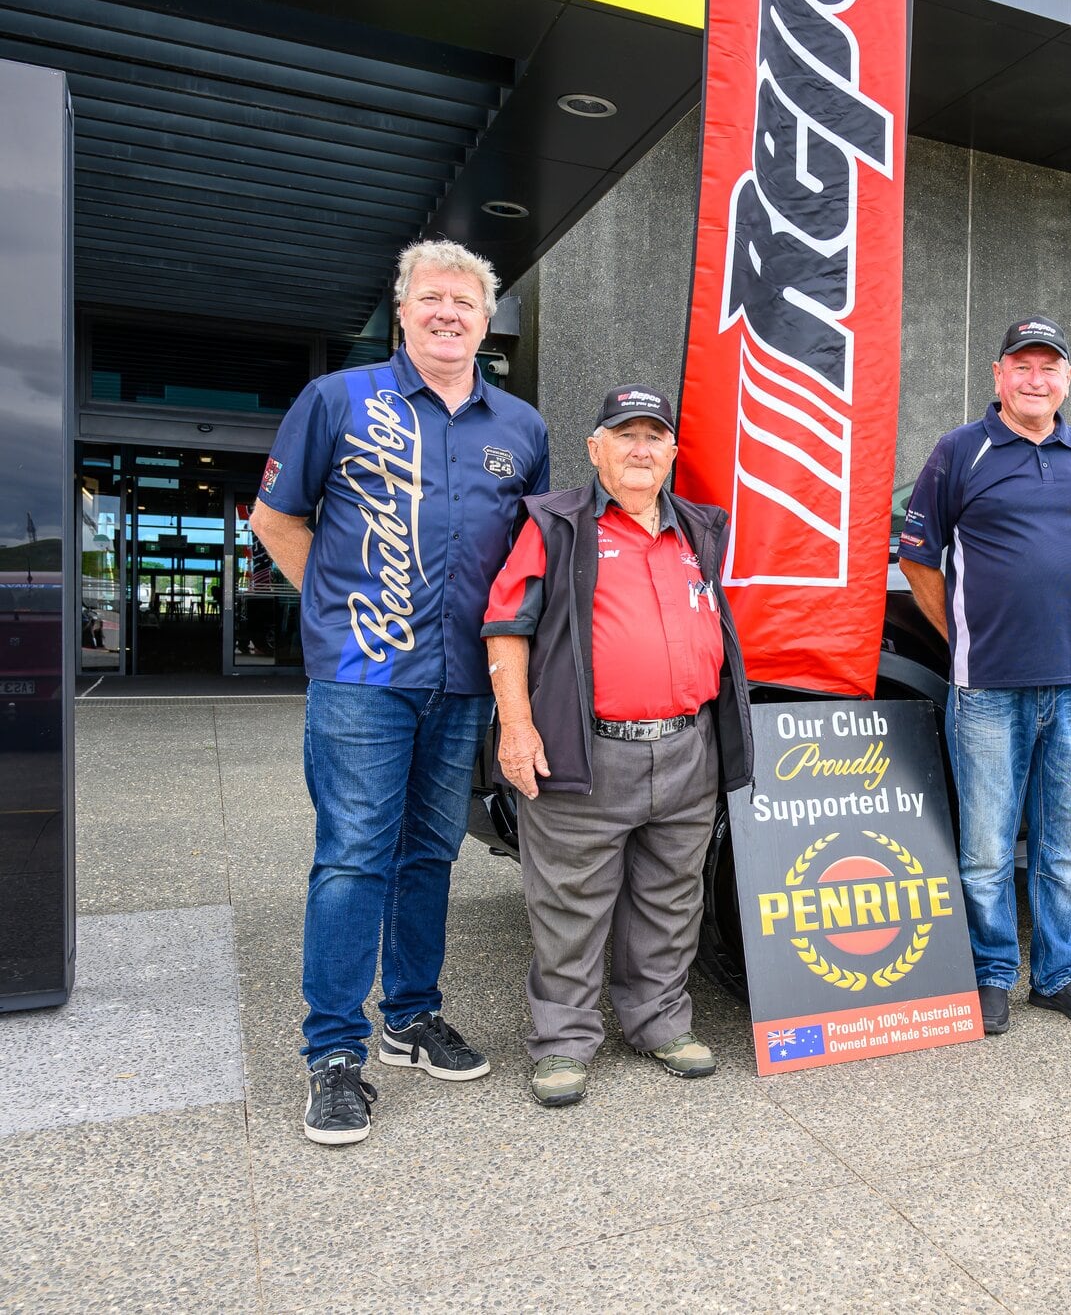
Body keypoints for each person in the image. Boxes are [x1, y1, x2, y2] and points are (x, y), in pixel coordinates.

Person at [250, 239, 550, 1145]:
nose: (449, 311)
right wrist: (337, 615)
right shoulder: (340, 400)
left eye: (466, 300)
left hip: (462, 682)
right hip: (363, 680)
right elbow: (274, 516)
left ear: (487, 320)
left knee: (429, 855)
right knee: (352, 856)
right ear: (403, 309)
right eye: (432, 298)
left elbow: (526, 560)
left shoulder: (521, 429)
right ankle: (334, 1056)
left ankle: (410, 1017)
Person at [481, 384, 753, 1107]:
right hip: (588, 751)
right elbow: (506, 623)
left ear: (671, 451)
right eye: (624, 435)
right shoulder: (557, 522)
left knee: (671, 900)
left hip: (687, 747)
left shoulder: (699, 527)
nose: (640, 449)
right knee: (570, 907)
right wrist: (517, 724)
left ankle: (658, 1021)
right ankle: (563, 1043)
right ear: (595, 447)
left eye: (653, 437)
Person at [897, 316, 1071, 1036]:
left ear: (1067, 379)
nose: (1035, 378)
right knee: (987, 849)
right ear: (998, 375)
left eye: (1048, 366)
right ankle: (992, 972)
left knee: (1064, 849)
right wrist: (959, 636)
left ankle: (1057, 975)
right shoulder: (962, 451)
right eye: (1021, 365)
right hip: (987, 689)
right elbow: (917, 556)